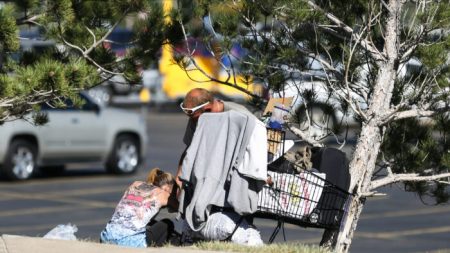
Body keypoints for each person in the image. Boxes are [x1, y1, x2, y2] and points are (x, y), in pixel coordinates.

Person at [176, 88, 254, 187]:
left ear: (208, 109)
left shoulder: (241, 117)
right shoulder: (197, 117)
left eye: (195, 119)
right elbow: (190, 147)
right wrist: (179, 177)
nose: (194, 122)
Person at [100, 168, 177, 248]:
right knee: (167, 224)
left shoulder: (136, 184)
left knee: (150, 223)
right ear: (167, 188)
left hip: (106, 237)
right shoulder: (163, 194)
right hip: (129, 243)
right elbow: (181, 209)